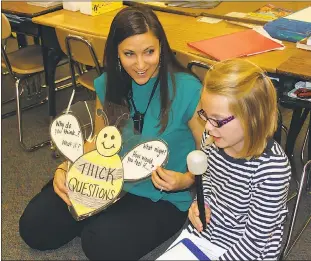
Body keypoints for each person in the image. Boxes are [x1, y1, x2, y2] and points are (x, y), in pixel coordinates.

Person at [19, 6, 204, 260]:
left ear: (161, 46)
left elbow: (208, 154)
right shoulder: (109, 84)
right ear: (116, 52)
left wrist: (186, 181)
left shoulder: (187, 88)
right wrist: (67, 167)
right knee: (35, 227)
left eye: (149, 51)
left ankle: (99, 217)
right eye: (129, 54)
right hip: (107, 179)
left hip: (161, 195)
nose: (141, 64)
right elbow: (98, 143)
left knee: (101, 245)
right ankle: (99, 214)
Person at [165, 59, 291, 260]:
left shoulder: (272, 170)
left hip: (247, 249)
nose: (206, 127)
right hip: (209, 231)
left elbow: (255, 242)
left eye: (217, 119)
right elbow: (206, 180)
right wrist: (200, 202)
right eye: (204, 115)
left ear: (252, 119)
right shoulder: (212, 138)